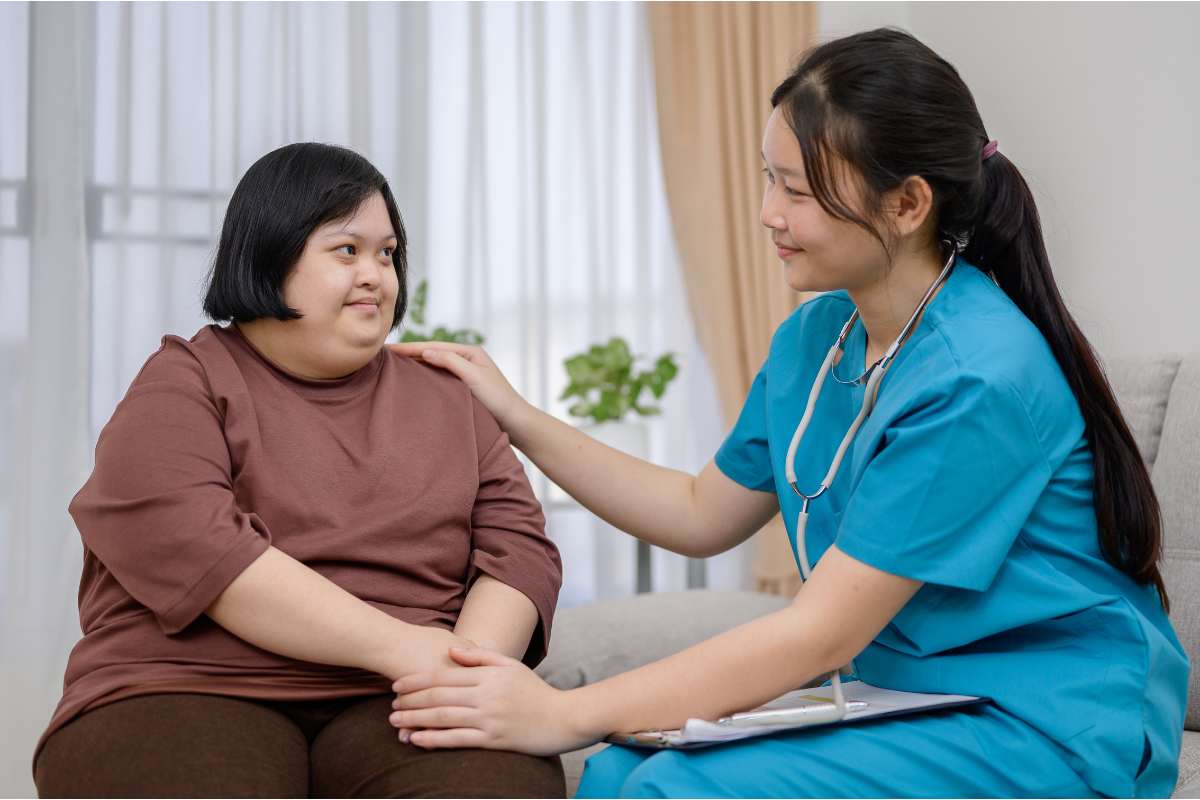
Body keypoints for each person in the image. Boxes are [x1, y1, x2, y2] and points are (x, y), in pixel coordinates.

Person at [386, 28, 1188, 798]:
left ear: (907, 203)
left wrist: (562, 713)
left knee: (670, 788)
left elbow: (821, 635)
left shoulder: (979, 374)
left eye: (797, 191)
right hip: (910, 696)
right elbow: (698, 511)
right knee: (618, 771)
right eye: (769, 179)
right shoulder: (816, 338)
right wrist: (516, 415)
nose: (769, 212)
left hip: (1048, 718)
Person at [33, 142, 565, 798]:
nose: (375, 275)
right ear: (270, 253)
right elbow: (200, 548)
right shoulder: (185, 381)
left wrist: (463, 675)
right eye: (347, 250)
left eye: (387, 253)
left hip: (404, 693)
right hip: (185, 682)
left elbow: (519, 553)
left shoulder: (449, 395)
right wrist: (406, 648)